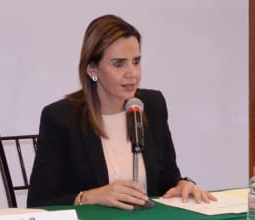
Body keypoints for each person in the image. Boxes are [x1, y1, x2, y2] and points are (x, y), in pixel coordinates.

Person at [28, 14, 214, 209]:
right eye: (118, 64)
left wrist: (182, 185)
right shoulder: (61, 118)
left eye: (136, 61)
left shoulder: (152, 105)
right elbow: (39, 202)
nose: (132, 73)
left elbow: (167, 180)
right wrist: (92, 196)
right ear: (92, 70)